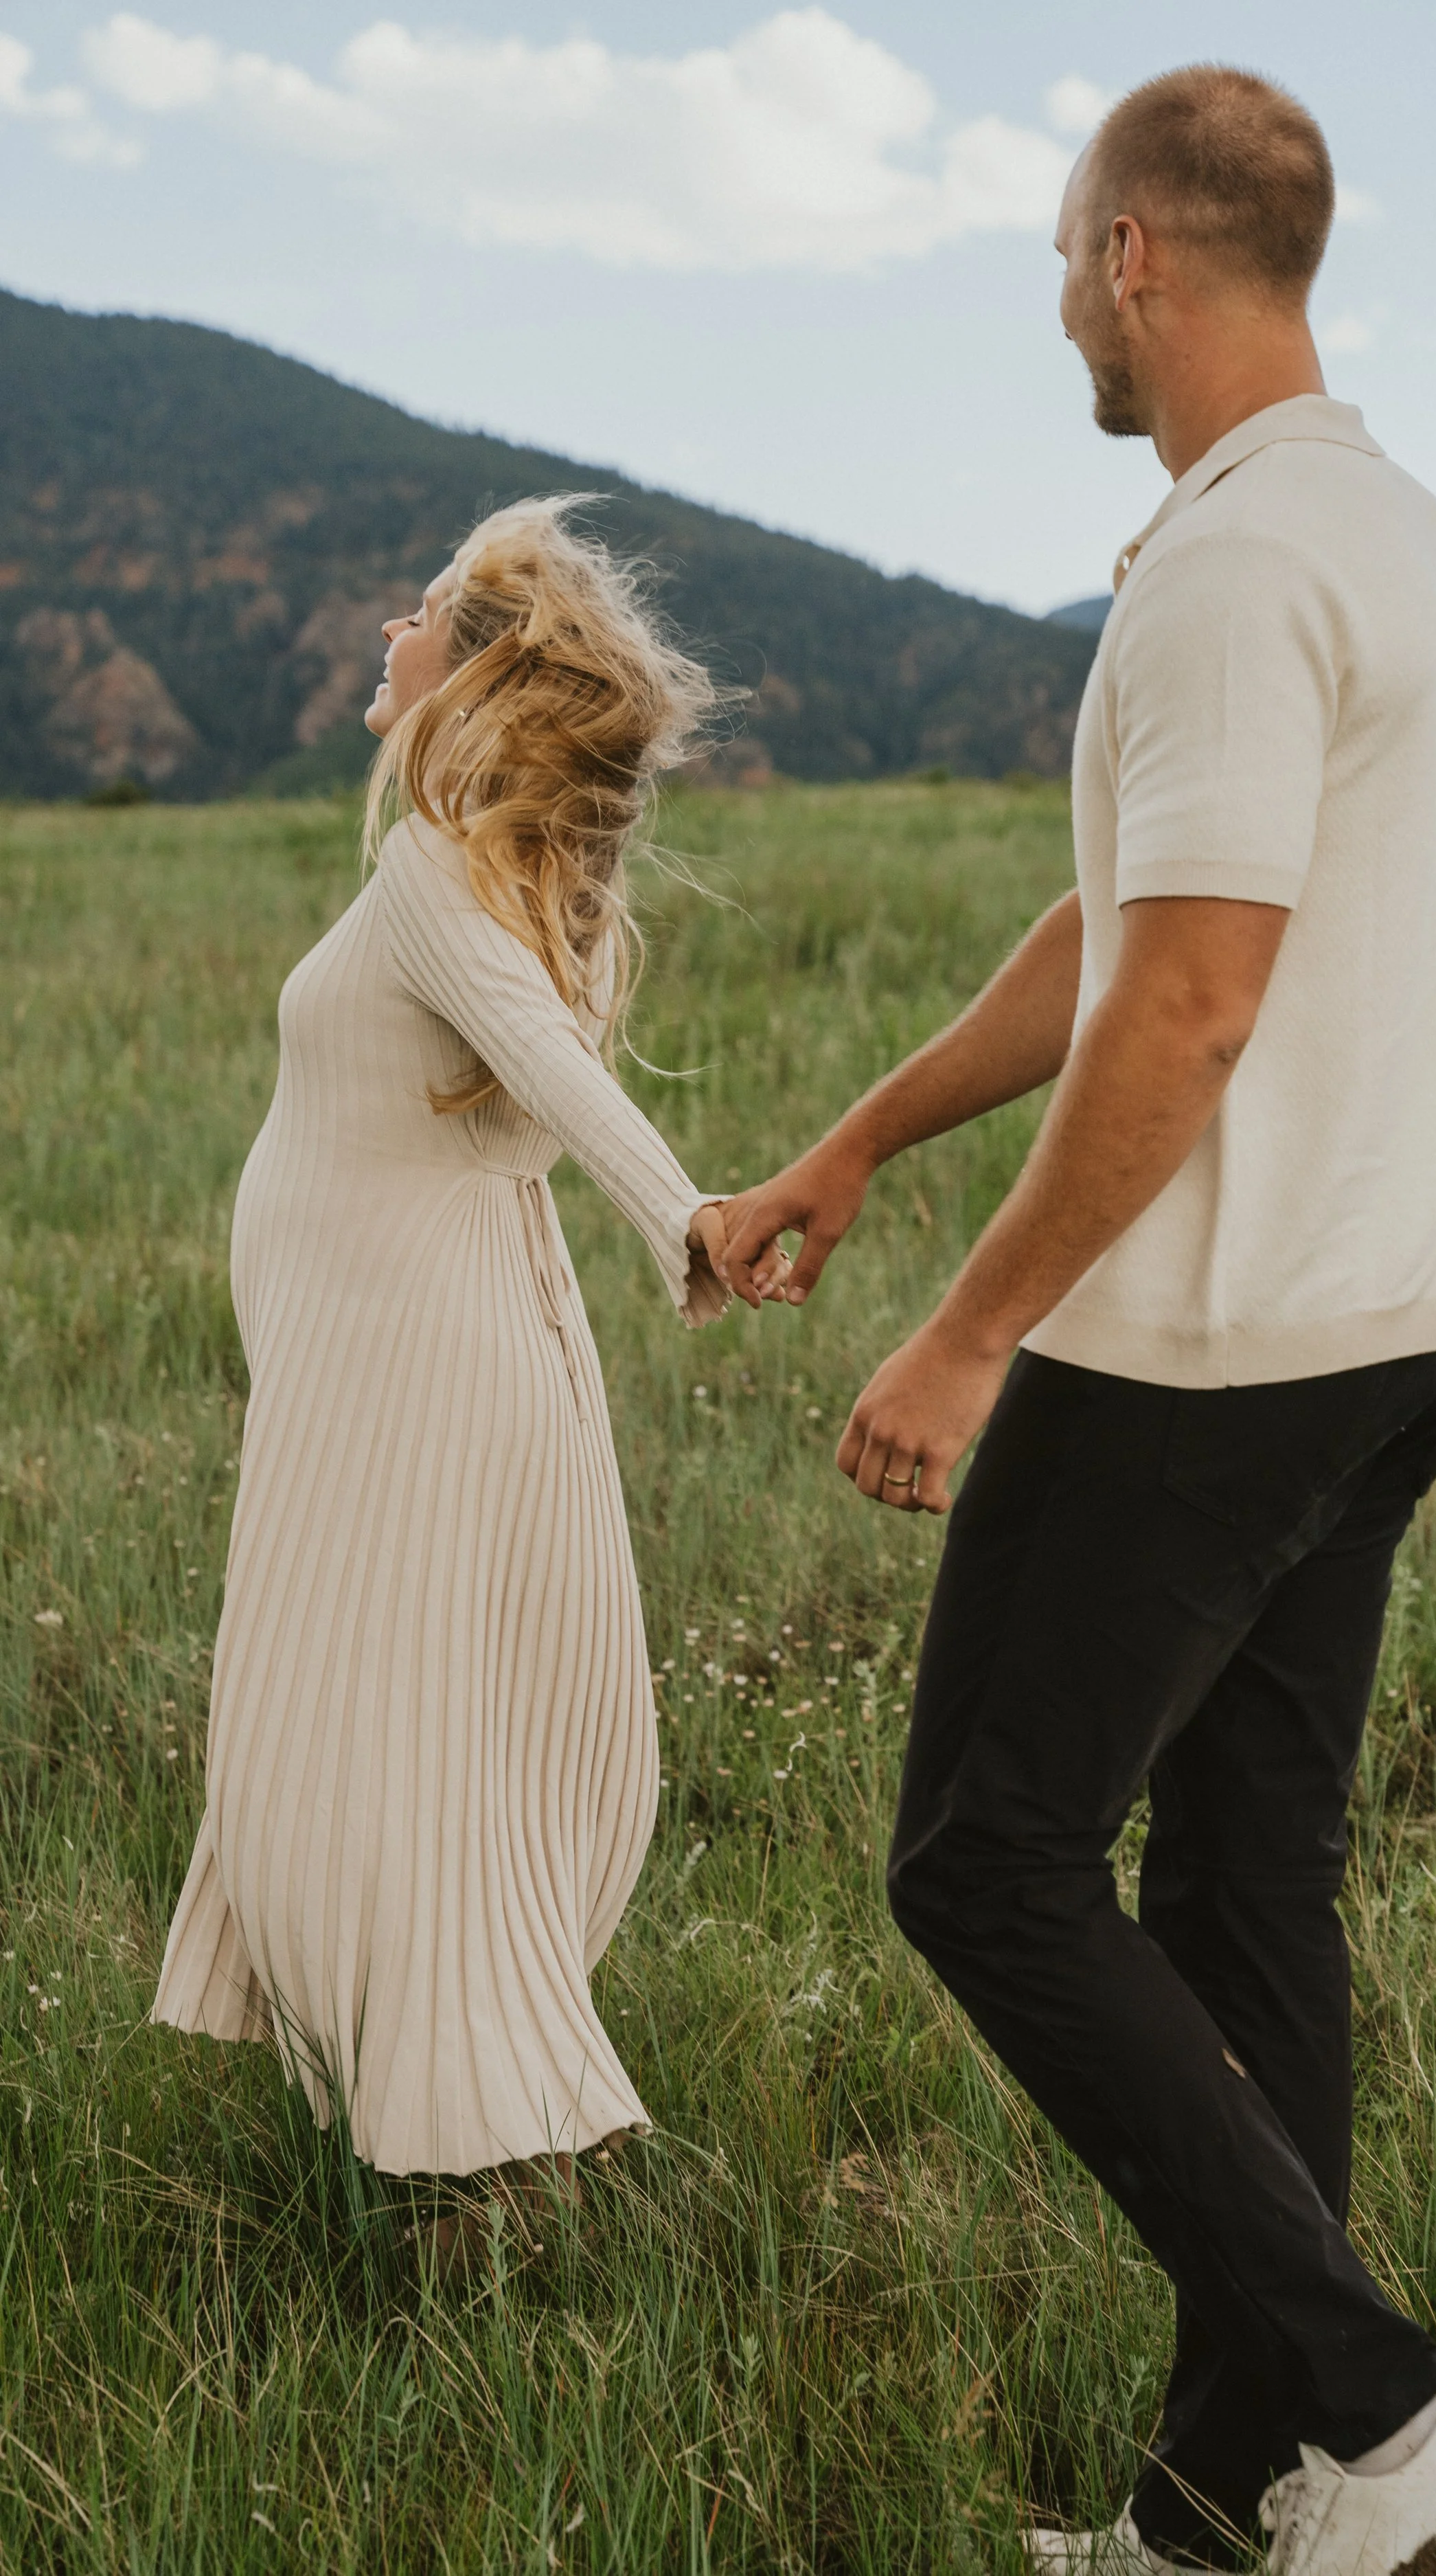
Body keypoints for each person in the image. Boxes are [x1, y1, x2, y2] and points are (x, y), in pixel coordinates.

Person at [720, 66, 1436, 2576]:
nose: (1058, 299)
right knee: (1239, 1878)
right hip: (1414, 1319)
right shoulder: (1391, 537)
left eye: (1059, 254)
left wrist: (971, 1333)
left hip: (1225, 1348)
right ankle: (1238, 2508)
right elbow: (1117, 928)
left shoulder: (1225, 570)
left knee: (986, 1858)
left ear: (1132, 261)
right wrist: (861, 1143)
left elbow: (1186, 1009)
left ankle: (1393, 2408)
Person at [153, 498, 764, 2250]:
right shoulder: (474, 867)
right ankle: (471, 2134)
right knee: (413, 1741)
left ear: (483, 670)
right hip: (406, 1352)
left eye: (420, 617)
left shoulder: (436, 868)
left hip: (411, 1373)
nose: (386, 640)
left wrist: (687, 1216)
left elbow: (548, 1077)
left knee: (377, 1744)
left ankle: (476, 2162)